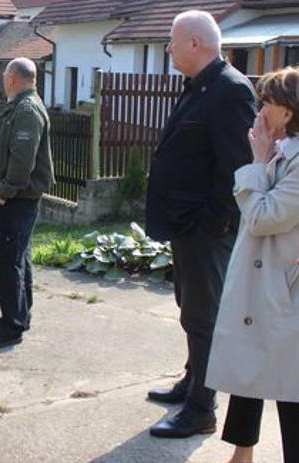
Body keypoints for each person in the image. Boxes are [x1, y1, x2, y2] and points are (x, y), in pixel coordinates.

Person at [144, 11, 257, 438]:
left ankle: (201, 409)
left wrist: (211, 225)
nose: (168, 49)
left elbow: (235, 166)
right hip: (187, 226)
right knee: (190, 311)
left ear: (195, 43)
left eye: (173, 42)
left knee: (203, 318)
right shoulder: (201, 86)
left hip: (205, 230)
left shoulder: (229, 90)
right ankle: (192, 382)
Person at [205, 67, 299, 463]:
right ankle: (242, 453)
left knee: (290, 384)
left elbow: (263, 216)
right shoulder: (283, 152)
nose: (259, 111)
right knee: (250, 368)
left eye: (267, 103)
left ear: (288, 112)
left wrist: (257, 162)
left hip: (285, 288)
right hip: (267, 284)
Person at [0, 57, 54, 349]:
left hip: (15, 199)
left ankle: (11, 327)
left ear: (12, 78)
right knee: (19, 257)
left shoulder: (26, 109)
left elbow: (23, 158)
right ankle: (17, 315)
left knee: (8, 261)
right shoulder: (22, 105)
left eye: (4, 77)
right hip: (15, 198)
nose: (3, 81)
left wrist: (5, 190)